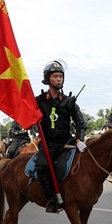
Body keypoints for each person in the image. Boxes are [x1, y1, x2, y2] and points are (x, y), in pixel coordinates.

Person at [35, 59, 88, 213]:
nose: (59, 79)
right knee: (42, 166)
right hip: (48, 144)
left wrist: (80, 139)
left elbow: (81, 123)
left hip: (67, 142)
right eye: (55, 76)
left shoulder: (69, 101)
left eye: (61, 76)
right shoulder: (38, 101)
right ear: (47, 79)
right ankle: (51, 199)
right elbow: (29, 117)